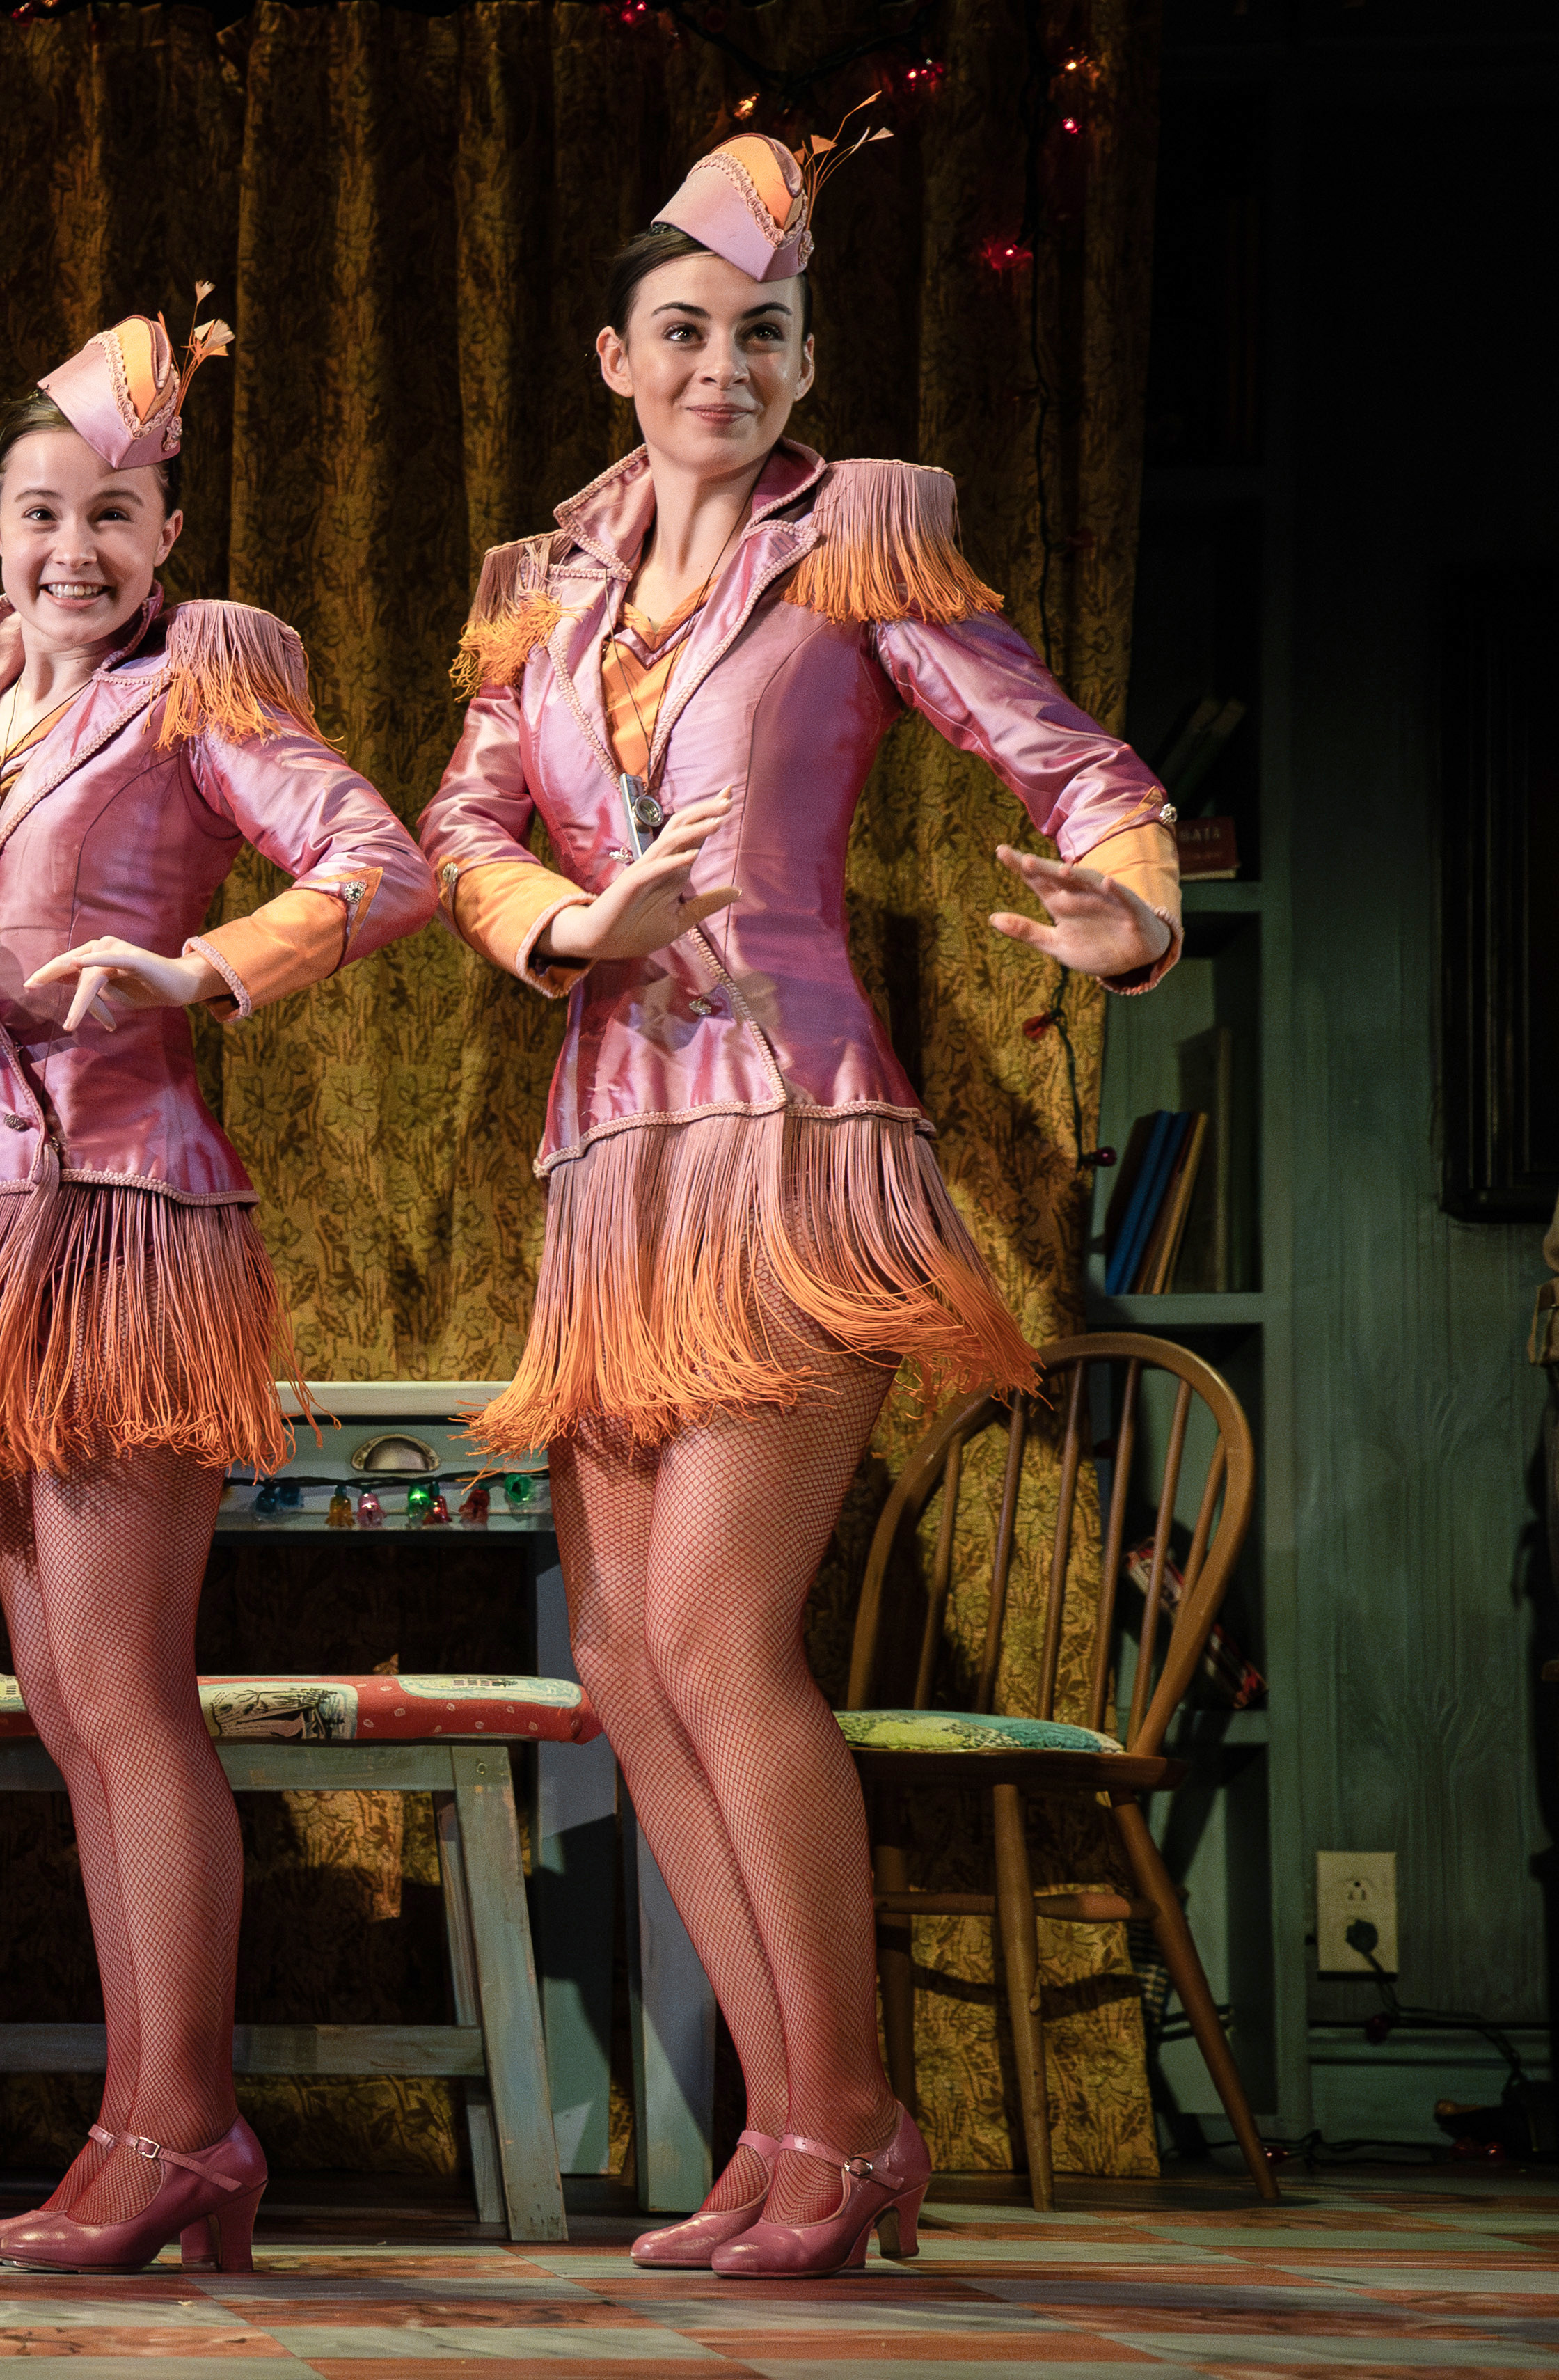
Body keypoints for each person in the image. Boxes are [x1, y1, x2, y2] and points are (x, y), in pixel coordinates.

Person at [416, 125, 1182, 2278]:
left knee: (718, 1634)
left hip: (791, 1132)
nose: (720, 370)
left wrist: (1126, 913)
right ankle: (782, 2134)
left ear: (803, 359)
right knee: (629, 1668)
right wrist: (573, 921)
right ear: (614, 355)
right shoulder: (543, 590)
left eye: (761, 337)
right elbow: (464, 818)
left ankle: (853, 2126)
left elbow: (1081, 765)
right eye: (684, 333)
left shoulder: (857, 545)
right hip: (609, 1162)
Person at [0, 304, 432, 2275]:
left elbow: (381, 863)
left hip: (131, 1212)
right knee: (68, 1700)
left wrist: (201, 968)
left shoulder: (193, 693)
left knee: (129, 1689)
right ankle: (149, 2124)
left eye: (120, 517)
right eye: (45, 510)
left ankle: (181, 2122)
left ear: (167, 535)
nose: (77, 548)